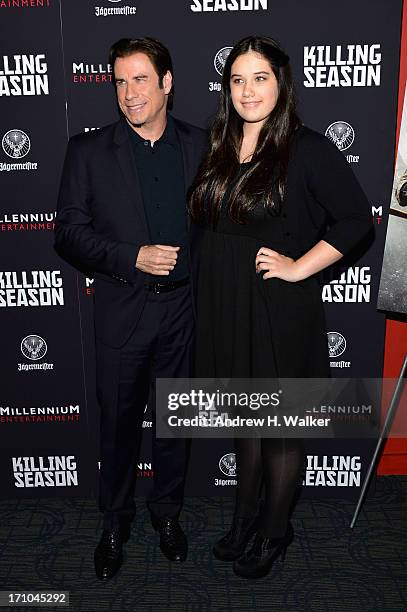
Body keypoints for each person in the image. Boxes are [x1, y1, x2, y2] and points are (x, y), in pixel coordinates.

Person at [188, 35, 372, 579]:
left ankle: (275, 530)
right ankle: (245, 518)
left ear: (282, 84)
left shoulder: (307, 147)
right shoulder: (219, 143)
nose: (247, 90)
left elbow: (357, 219)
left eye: (260, 78)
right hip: (225, 303)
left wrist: (297, 266)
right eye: (238, 79)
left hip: (276, 307)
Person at [55, 37, 207, 580]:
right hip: (122, 314)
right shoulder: (88, 151)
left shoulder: (202, 145)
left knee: (176, 426)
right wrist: (131, 257)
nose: (128, 93)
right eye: (119, 81)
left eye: (140, 79)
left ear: (167, 83)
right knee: (117, 430)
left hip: (184, 315)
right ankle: (114, 524)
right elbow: (67, 234)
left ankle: (167, 515)